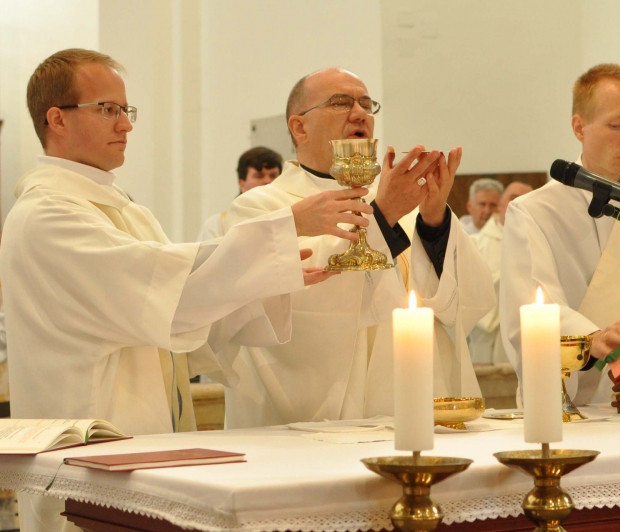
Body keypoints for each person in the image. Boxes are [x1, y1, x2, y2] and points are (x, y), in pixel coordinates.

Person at [0, 48, 371, 532]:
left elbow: (181, 316)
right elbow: (161, 293)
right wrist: (282, 231)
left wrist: (263, 280)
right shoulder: (47, 215)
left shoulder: (125, 211)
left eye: (126, 110)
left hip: (143, 454)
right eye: (107, 109)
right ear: (57, 119)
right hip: (87, 462)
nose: (125, 125)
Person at [222, 67, 494, 427]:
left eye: (367, 104)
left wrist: (434, 222)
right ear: (299, 127)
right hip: (321, 427)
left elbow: (472, 301)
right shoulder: (260, 209)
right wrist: (383, 217)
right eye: (340, 102)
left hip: (414, 408)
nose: (359, 113)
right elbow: (290, 310)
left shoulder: (398, 198)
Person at [500, 63, 620, 406]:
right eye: (616, 125)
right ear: (579, 127)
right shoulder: (534, 211)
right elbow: (532, 307)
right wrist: (591, 339)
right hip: (563, 406)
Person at [468, 181, 533, 364]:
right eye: (513, 199)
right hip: (483, 334)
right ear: (501, 205)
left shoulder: (538, 244)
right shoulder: (475, 243)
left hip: (524, 334)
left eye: (526, 200)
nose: (518, 204)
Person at [196, 146, 284, 240]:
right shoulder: (216, 226)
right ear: (242, 183)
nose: (268, 181)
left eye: (273, 176)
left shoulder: (288, 219)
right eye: (259, 176)